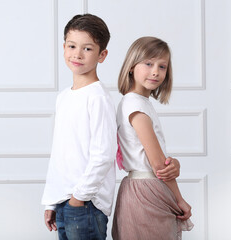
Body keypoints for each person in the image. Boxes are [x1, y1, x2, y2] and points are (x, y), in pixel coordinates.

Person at [41, 14, 181, 240]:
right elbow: (59, 154)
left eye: (87, 49)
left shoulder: (98, 98)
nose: (77, 54)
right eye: (72, 46)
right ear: (64, 47)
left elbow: (103, 154)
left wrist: (79, 197)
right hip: (64, 201)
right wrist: (52, 199)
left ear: (102, 55)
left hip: (86, 203)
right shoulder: (64, 97)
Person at [112, 36, 194, 240]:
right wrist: (179, 199)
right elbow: (159, 165)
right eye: (148, 63)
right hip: (148, 190)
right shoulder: (136, 106)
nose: (156, 71)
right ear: (131, 66)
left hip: (141, 187)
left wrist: (173, 162)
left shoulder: (138, 102)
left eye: (162, 66)